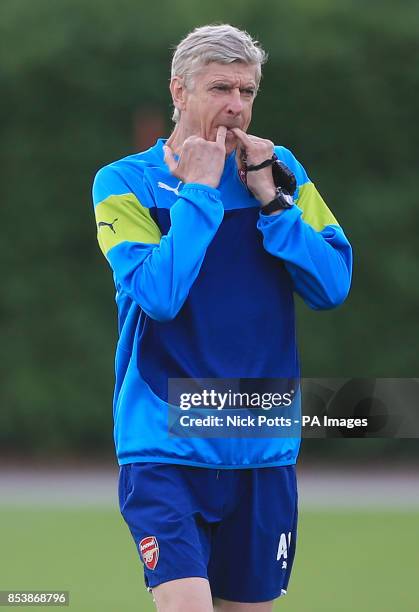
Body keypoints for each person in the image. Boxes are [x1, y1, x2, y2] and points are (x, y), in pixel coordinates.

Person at [92, 23, 352, 612]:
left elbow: (332, 284)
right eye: (220, 88)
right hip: (163, 444)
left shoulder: (279, 169)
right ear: (179, 92)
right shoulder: (124, 182)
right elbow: (159, 294)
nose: (237, 106)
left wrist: (271, 199)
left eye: (248, 90)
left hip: (262, 446)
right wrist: (202, 191)